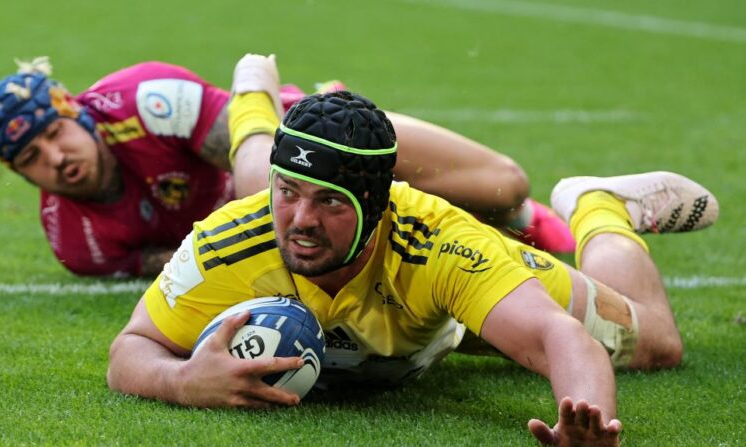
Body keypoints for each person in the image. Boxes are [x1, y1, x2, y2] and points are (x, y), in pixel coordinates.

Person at [106, 91, 718, 445]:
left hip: (451, 310)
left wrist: (585, 418)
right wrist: (182, 382)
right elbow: (131, 348)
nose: (299, 219)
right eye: (287, 191)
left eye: (329, 202)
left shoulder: (440, 241)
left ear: (376, 206)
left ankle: (596, 208)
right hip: (406, 333)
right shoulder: (230, 243)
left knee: (658, 343)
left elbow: (557, 335)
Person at [0, 55, 573, 277]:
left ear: (75, 112)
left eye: (55, 133)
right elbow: (175, 265)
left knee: (503, 186)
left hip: (316, 141)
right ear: (22, 176)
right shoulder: (77, 245)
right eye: (32, 158)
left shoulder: (143, 99)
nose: (56, 158)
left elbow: (259, 172)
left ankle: (534, 217)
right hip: (294, 224)